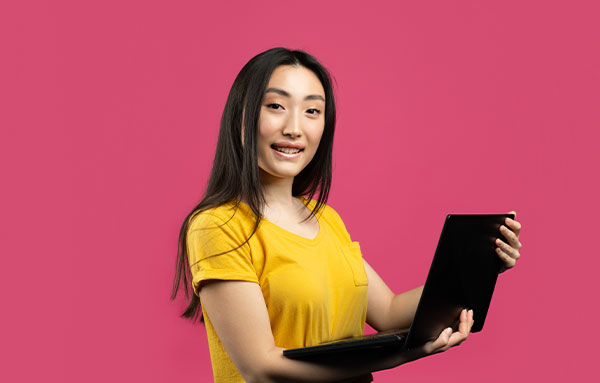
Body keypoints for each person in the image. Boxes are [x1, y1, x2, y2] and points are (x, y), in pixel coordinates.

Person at [171, 47, 523, 383]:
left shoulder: (325, 219)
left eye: (312, 111)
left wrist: (480, 265)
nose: (294, 128)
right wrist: (402, 354)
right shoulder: (218, 226)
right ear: (240, 116)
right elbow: (261, 368)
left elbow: (389, 312)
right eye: (276, 106)